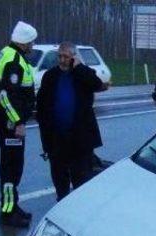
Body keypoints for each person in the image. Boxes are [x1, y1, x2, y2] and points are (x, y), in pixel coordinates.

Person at [36, 42, 108, 201]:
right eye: (59, 56)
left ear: (73, 57)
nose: (62, 60)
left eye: (66, 57)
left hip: (80, 138)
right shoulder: (50, 76)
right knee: (59, 176)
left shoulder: (82, 73)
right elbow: (41, 107)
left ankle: (78, 204)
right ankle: (61, 200)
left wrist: (79, 67)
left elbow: (97, 84)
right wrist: (45, 139)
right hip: (57, 137)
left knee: (81, 177)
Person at [0, 21, 37, 228]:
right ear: (24, 43)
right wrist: (17, 122)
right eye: (32, 42)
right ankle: (8, 212)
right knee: (11, 167)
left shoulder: (8, 53)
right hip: (9, 125)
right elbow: (4, 96)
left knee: (14, 166)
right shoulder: (14, 61)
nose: (33, 46)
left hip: (9, 122)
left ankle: (12, 205)